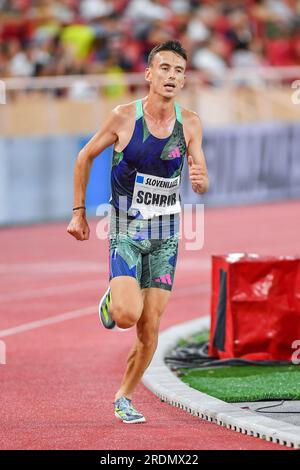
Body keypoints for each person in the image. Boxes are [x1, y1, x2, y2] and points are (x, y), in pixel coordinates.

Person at [67, 40, 209, 424]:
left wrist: (200, 181)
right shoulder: (123, 117)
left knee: (150, 327)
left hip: (166, 230)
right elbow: (85, 156)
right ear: (149, 74)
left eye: (179, 71)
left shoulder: (190, 122)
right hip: (125, 224)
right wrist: (78, 212)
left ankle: (125, 396)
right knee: (128, 315)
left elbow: (201, 179)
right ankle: (112, 302)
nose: (172, 77)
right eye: (164, 69)